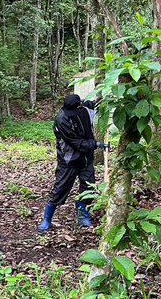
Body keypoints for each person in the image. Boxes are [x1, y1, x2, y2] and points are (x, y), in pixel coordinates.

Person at [42, 95, 106, 230]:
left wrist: (107, 98)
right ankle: (47, 219)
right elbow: (76, 142)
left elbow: (95, 103)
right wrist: (96, 144)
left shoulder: (85, 109)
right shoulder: (62, 119)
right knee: (60, 188)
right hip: (68, 159)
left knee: (88, 187)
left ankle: (82, 217)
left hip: (86, 159)